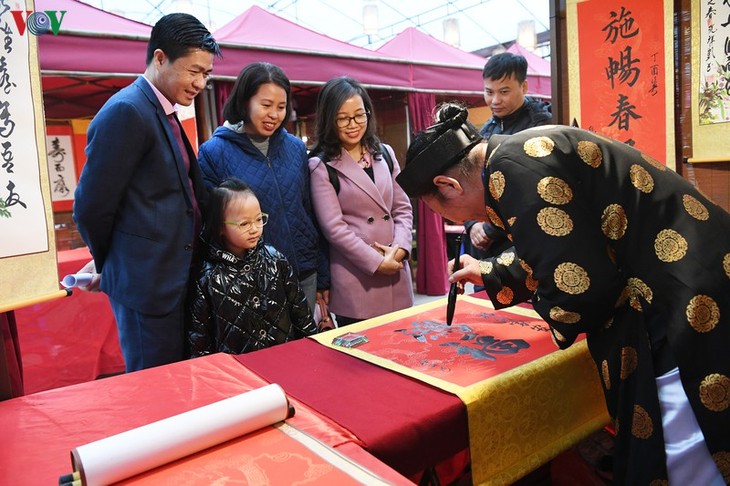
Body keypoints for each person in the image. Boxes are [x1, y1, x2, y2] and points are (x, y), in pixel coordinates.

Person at [397, 103, 730, 485]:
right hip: (694, 271)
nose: (458, 222)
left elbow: (583, 291)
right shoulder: (515, 154)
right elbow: (567, 243)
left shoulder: (511, 172)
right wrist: (489, 270)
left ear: (448, 186)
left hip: (680, 296)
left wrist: (556, 311)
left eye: (444, 214)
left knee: (687, 452)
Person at [73, 14, 221, 372]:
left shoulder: (164, 110)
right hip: (148, 286)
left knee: (179, 380)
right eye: (193, 71)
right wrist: (114, 263)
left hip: (174, 276)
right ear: (159, 58)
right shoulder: (128, 111)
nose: (200, 83)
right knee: (154, 386)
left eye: (206, 74)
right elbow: (91, 207)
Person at [197, 62, 327, 313]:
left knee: (303, 349)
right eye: (266, 105)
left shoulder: (295, 148)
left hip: (303, 272)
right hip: (249, 279)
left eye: (281, 107)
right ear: (245, 101)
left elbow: (308, 211)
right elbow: (211, 227)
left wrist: (322, 271)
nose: (274, 115)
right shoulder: (214, 152)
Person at [307, 77, 414, 326]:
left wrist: (399, 250)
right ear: (329, 119)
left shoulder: (384, 153)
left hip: (396, 272)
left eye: (359, 115)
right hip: (358, 281)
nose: (353, 124)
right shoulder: (321, 165)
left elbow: (402, 208)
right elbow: (335, 229)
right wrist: (377, 262)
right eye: (343, 118)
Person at [186, 178, 316, 357]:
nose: (254, 229)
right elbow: (200, 337)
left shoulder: (275, 259)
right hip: (238, 372)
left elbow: (302, 315)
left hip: (285, 360)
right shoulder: (208, 276)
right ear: (219, 227)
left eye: (258, 219)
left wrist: (313, 351)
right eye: (244, 224)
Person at [464, 52, 553, 267]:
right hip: (486, 246)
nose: (495, 101)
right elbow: (470, 182)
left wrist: (489, 229)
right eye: (489, 92)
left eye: (504, 92)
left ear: (524, 87)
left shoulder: (542, 125)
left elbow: (536, 192)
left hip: (528, 244)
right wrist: (472, 225)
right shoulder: (484, 131)